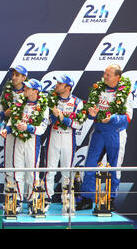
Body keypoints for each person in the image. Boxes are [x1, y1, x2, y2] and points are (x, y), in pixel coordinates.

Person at [76, 64, 133, 211]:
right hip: (99, 132)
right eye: (104, 73)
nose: (104, 76)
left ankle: (110, 200)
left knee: (114, 167)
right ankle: (87, 198)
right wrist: (91, 114)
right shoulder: (98, 89)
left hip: (116, 133)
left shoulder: (126, 93)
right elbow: (91, 112)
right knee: (90, 164)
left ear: (117, 77)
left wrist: (112, 118)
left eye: (108, 74)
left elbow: (128, 117)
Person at [0, 79, 49, 215]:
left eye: (28, 88)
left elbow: (42, 128)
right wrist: (6, 130)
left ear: (35, 91)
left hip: (32, 142)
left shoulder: (44, 106)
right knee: (17, 172)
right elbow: (11, 122)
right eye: (25, 87)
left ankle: (33, 203)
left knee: (32, 174)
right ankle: (18, 202)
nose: (25, 90)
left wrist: (28, 127)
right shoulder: (19, 103)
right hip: (18, 141)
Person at [44, 74, 86, 212]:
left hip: (69, 138)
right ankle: (46, 199)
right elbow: (46, 122)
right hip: (54, 136)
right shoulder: (51, 100)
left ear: (67, 87)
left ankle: (66, 201)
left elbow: (79, 124)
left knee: (66, 172)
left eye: (60, 84)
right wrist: (54, 116)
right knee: (49, 170)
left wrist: (62, 117)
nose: (56, 85)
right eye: (57, 83)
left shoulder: (77, 102)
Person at [0, 65, 28, 194]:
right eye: (13, 74)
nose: (13, 77)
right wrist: (5, 114)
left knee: (25, 167)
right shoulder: (7, 92)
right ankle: (10, 198)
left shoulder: (30, 91)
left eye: (17, 75)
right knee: (9, 165)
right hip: (9, 133)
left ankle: (24, 198)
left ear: (24, 78)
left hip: (25, 133)